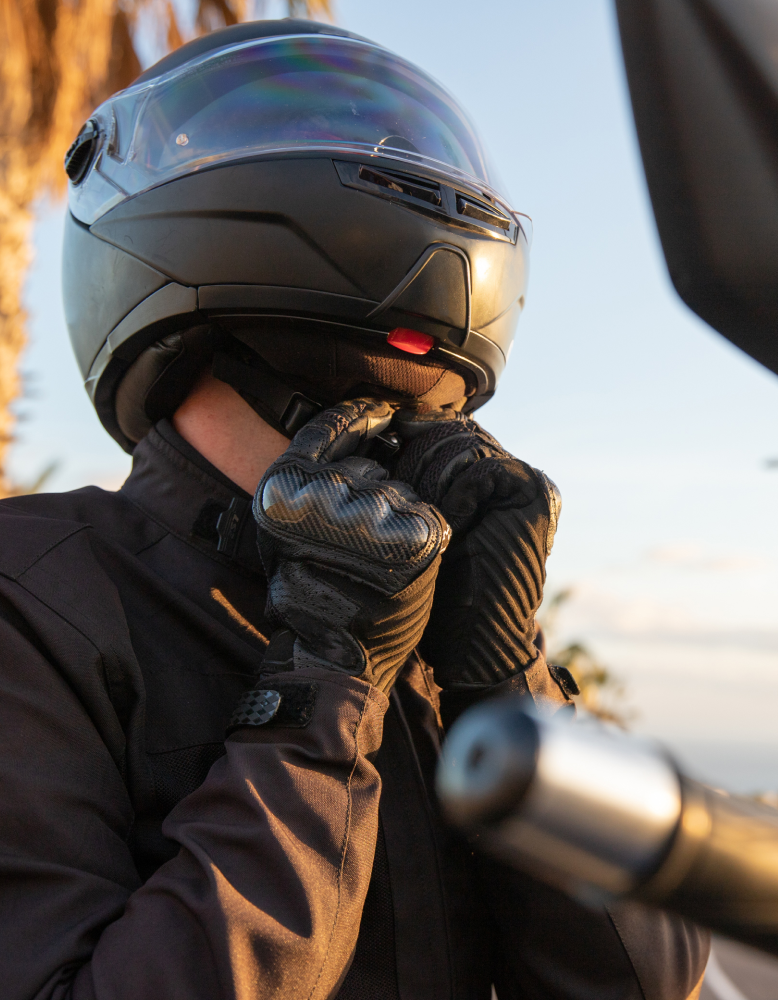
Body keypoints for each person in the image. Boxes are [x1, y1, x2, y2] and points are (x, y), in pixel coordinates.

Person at [0, 19, 709, 999]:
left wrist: (505, 676)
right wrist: (318, 686)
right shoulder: (37, 593)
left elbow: (640, 984)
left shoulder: (433, 603)